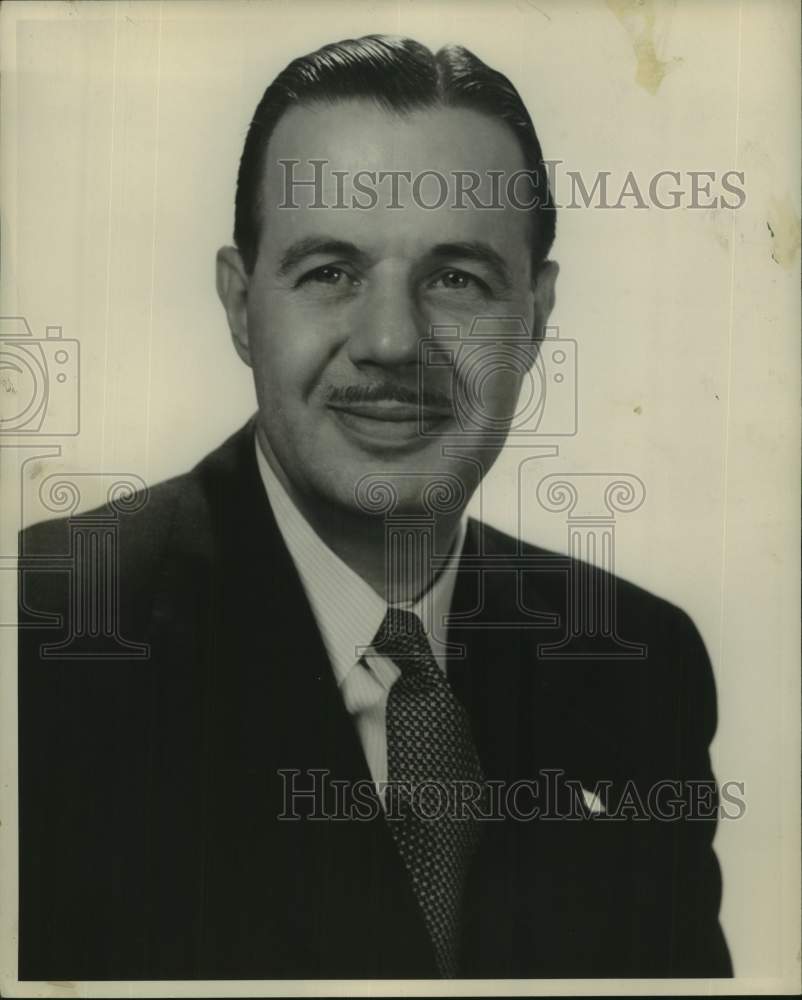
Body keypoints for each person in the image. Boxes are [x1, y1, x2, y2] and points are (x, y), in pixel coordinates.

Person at [18, 35, 732, 980]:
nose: (393, 342)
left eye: (456, 278)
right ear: (239, 305)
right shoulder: (44, 636)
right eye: (330, 272)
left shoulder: (639, 665)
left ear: (536, 316)